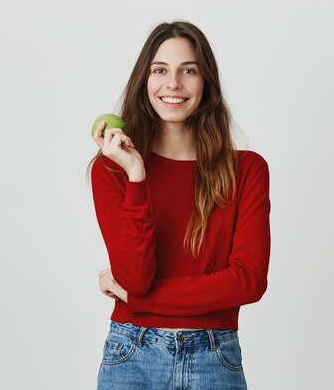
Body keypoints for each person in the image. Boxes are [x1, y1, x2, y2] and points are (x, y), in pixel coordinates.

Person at [87, 21, 271, 390]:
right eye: (160, 70)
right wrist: (137, 175)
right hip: (132, 356)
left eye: (188, 70)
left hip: (213, 358)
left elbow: (248, 282)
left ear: (206, 85)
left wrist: (139, 299)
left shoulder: (247, 169)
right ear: (145, 81)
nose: (173, 83)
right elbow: (136, 277)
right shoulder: (112, 170)